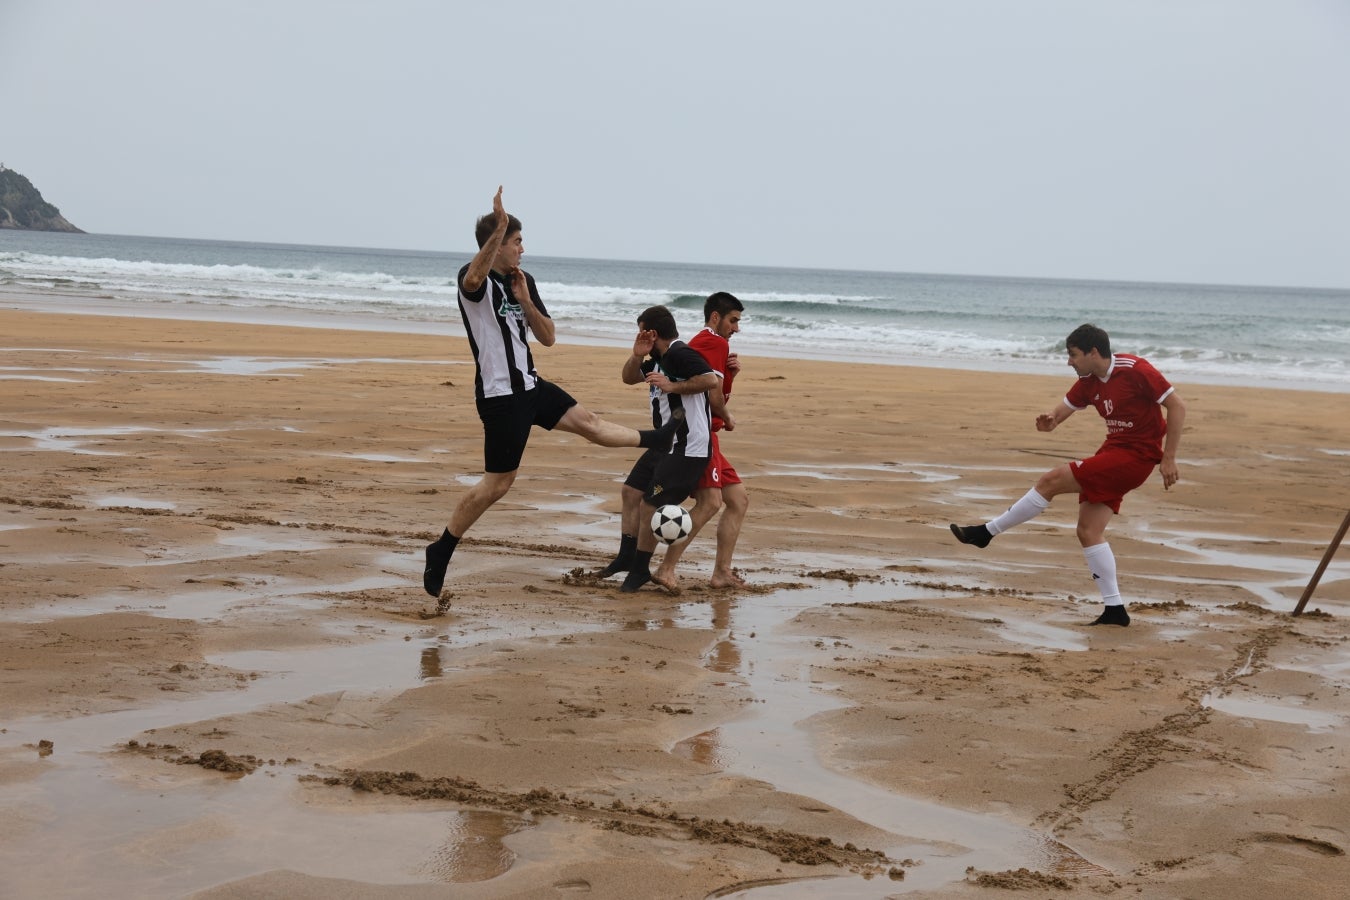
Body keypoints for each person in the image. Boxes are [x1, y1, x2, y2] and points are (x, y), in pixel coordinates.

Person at [422, 188, 680, 599]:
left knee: (589, 423)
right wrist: (498, 226)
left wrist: (526, 300)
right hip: (500, 396)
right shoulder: (474, 279)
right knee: (498, 485)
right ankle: (442, 549)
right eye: (516, 241)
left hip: (531, 385)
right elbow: (472, 279)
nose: (522, 249)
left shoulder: (523, 282)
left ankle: (659, 438)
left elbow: (548, 336)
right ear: (497, 245)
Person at [949, 323, 1186, 627]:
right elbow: (1060, 413)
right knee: (1088, 531)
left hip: (1137, 456)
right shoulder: (1088, 382)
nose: (1069, 361)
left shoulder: (1135, 370)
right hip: (1113, 452)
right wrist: (1050, 422)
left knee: (1051, 480)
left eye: (1073, 355)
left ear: (1093, 352)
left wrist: (1169, 458)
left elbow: (1177, 406)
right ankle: (1115, 610)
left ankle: (986, 533)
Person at [609, 305, 729, 593]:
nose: (639, 335)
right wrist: (637, 355)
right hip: (664, 442)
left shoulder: (679, 353)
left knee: (650, 505)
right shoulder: (658, 358)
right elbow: (628, 377)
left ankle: (640, 570)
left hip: (688, 447)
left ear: (652, 332)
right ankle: (626, 558)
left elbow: (710, 380)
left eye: (641, 331)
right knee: (630, 492)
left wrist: (672, 387)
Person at [652, 291, 749, 590]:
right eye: (733, 321)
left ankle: (722, 572)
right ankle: (666, 568)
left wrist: (730, 375)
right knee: (710, 503)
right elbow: (712, 395)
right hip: (699, 436)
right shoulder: (713, 341)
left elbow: (707, 386)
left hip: (701, 433)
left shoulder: (706, 343)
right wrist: (727, 417)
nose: (736, 328)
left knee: (738, 500)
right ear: (715, 317)